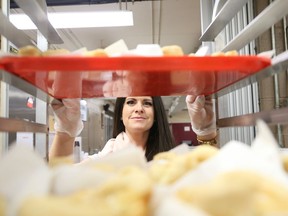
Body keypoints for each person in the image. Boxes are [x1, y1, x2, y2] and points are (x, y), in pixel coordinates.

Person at [49, 95, 217, 162]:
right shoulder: (108, 154)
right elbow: (61, 176)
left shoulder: (172, 156)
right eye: (131, 102)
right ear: (121, 114)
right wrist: (65, 131)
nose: (139, 108)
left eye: (147, 103)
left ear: (156, 114)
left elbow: (209, 177)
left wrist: (206, 132)